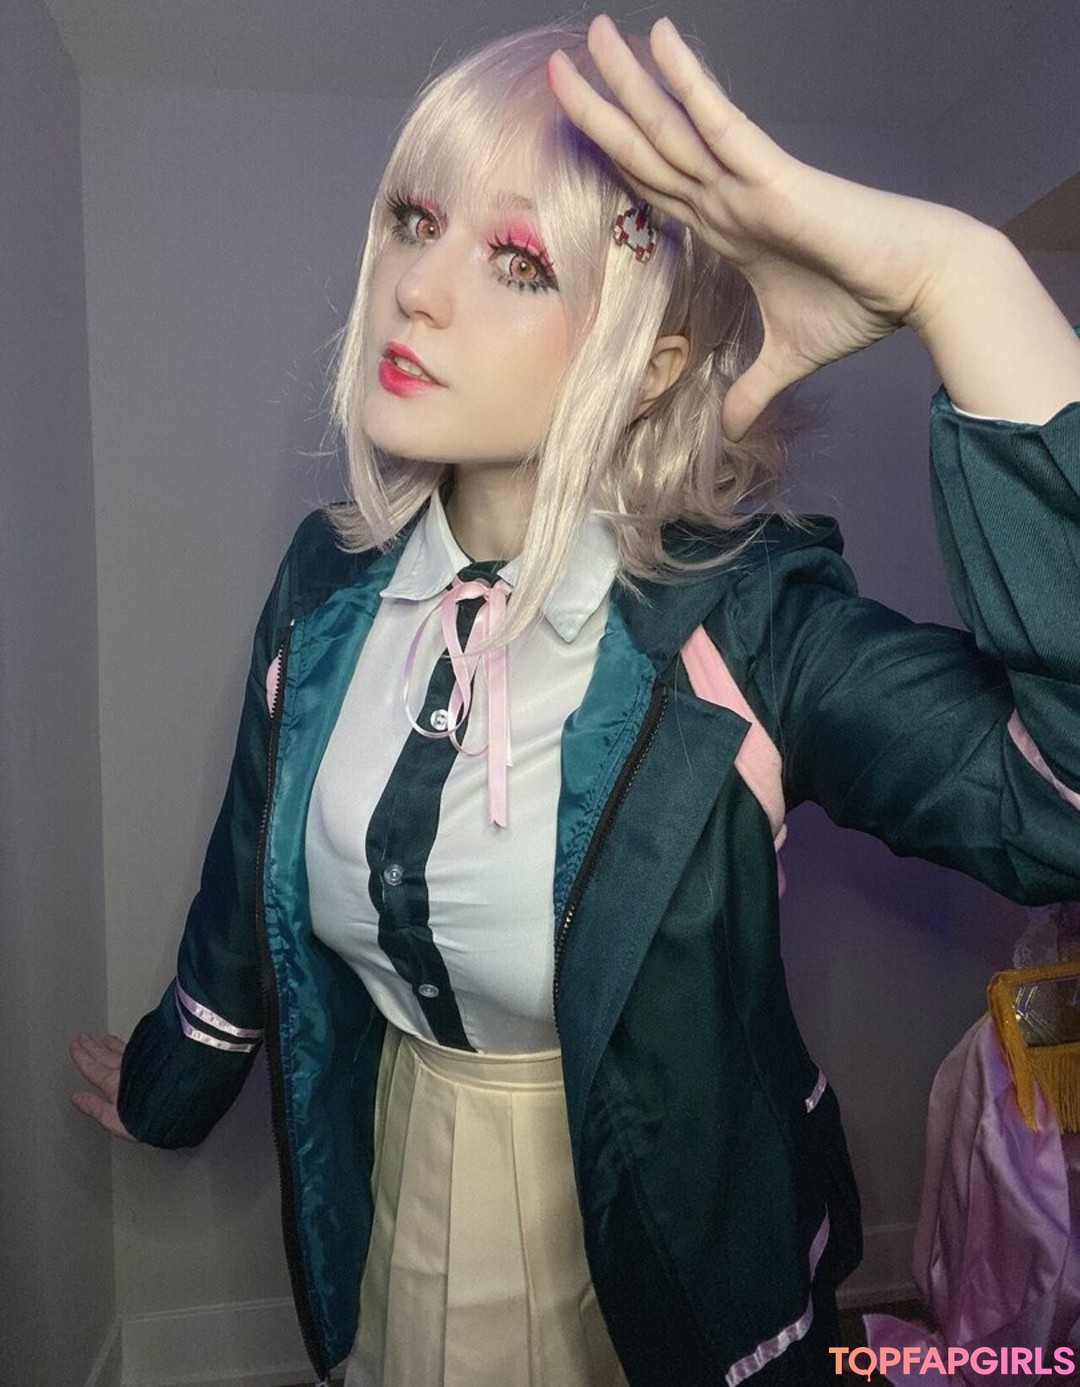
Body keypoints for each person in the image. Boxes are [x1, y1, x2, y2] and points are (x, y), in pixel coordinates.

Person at [70, 15, 1080, 1387]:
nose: (416, 292)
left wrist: (960, 274)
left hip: (670, 1259)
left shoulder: (748, 622)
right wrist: (174, 1076)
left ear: (649, 362)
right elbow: (254, 854)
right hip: (389, 1202)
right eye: (414, 221)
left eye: (518, 262)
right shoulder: (327, 584)